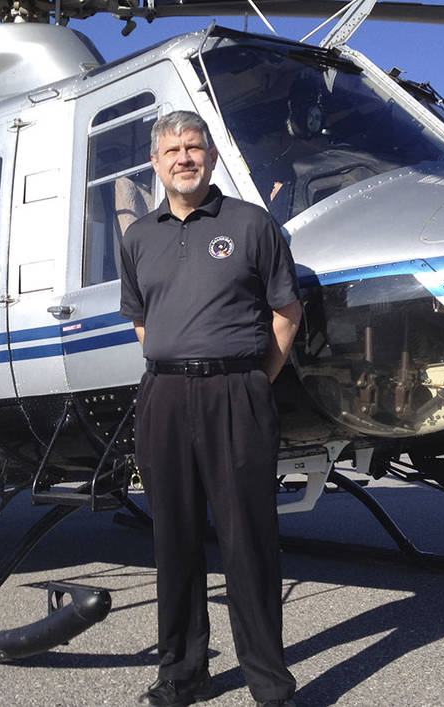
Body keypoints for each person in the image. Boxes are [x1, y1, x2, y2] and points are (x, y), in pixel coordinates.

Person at [119, 110, 302, 707]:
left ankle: (270, 684)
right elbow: (143, 322)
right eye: (171, 151)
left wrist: (252, 380)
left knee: (249, 541)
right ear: (155, 163)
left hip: (237, 394)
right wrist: (179, 365)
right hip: (165, 397)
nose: (183, 159)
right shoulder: (138, 238)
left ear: (211, 156)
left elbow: (286, 312)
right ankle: (182, 673)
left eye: (193, 148)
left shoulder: (251, 225)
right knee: (172, 540)